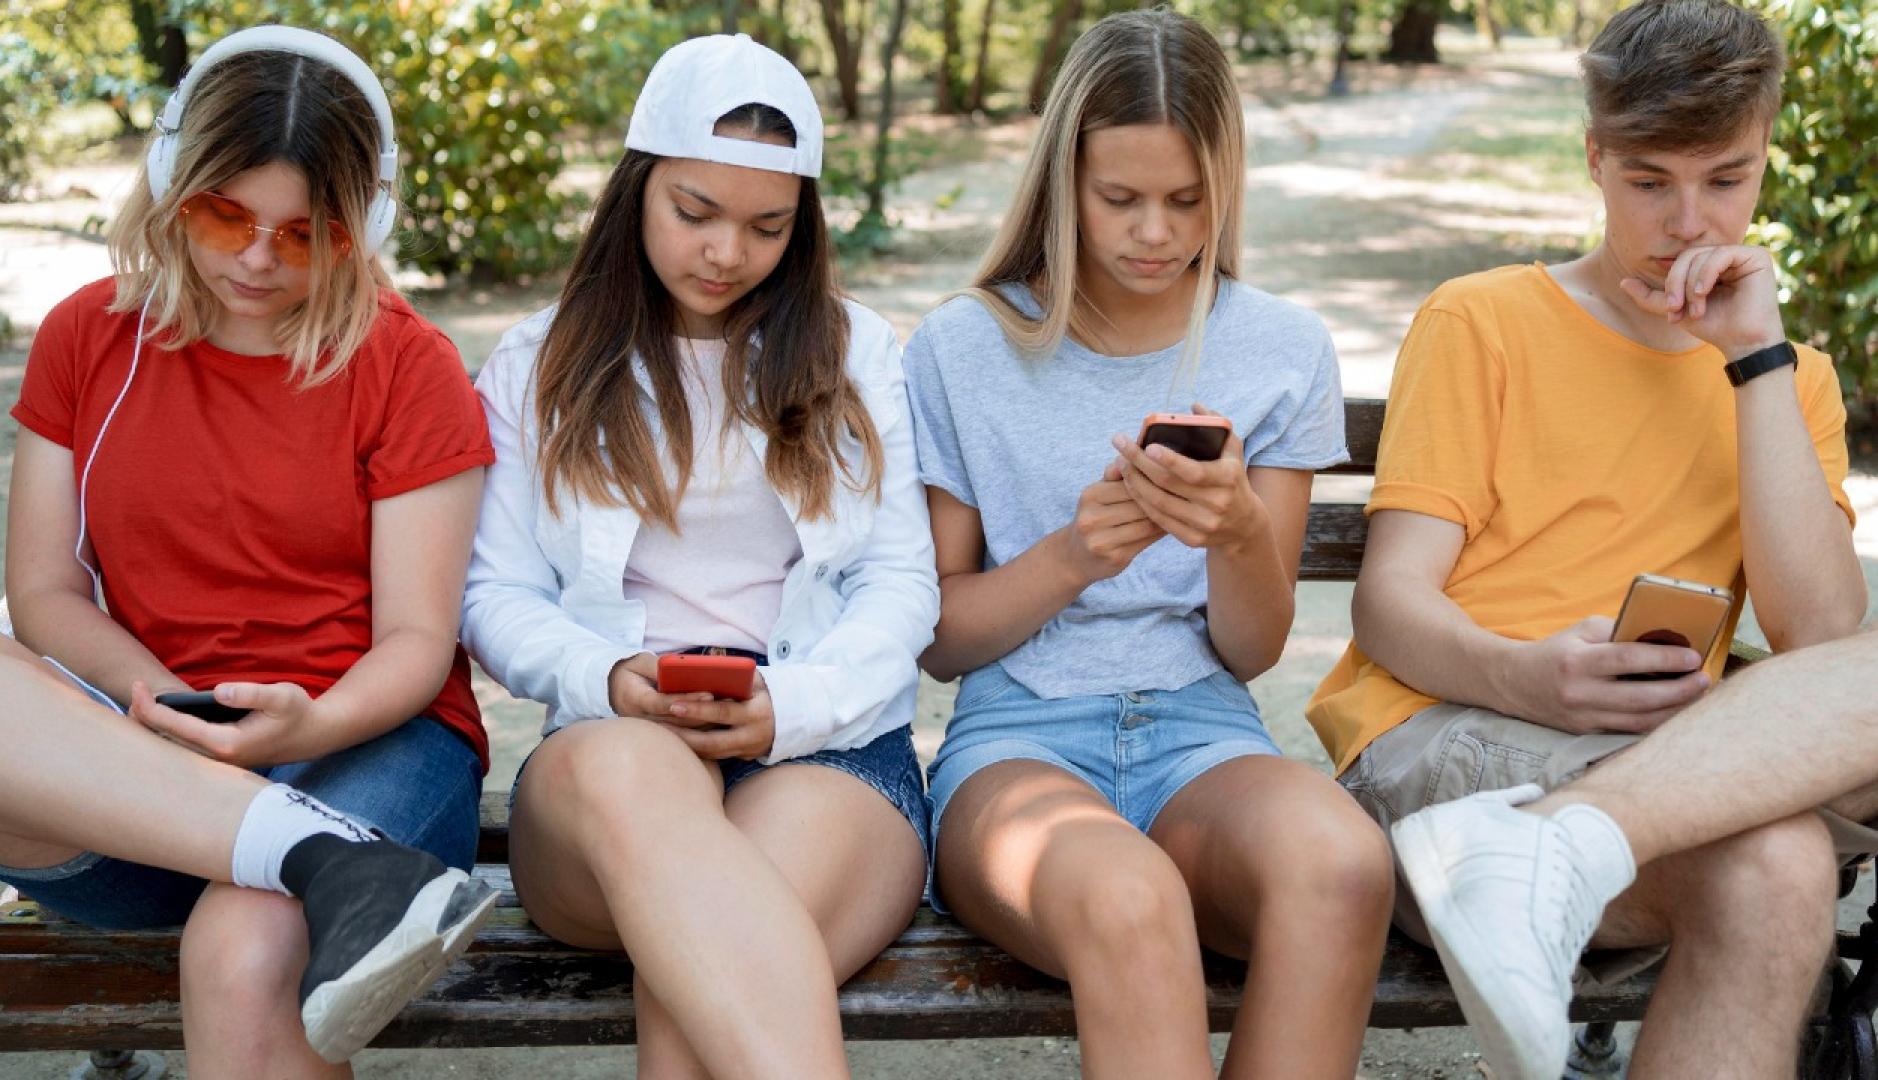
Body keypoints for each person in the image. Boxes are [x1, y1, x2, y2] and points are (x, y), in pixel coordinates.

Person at [1305, 1, 1869, 1076]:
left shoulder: (1792, 380)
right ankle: (1525, 845)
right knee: (1782, 861)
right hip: (1442, 734)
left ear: (1765, 160)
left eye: (1727, 180)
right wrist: (1531, 681)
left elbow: (1825, 638)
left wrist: (1754, 365)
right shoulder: (1484, 320)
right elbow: (1391, 603)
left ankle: (1551, 849)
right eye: (1651, 181)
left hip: (1665, 764)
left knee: (1784, 853)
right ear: (1595, 157)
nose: (1692, 222)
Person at [903, 11, 1395, 1078]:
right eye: (1119, 199)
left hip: (1202, 737)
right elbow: (939, 637)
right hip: (1019, 746)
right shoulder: (964, 346)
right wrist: (1072, 555)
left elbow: (1255, 648)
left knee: (1346, 867)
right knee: (1129, 897)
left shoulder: (1277, 346)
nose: (1156, 233)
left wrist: (1237, 538)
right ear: (1060, 184)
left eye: (1187, 200)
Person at [0, 25, 499, 1071]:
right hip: (147, 757)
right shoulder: (86, 337)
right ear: (171, 184)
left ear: (364, 225)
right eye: (225, 214)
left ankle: (337, 861)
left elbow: (416, 640)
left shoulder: (409, 367)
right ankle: (315, 859)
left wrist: (306, 722)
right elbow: (44, 592)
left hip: (368, 742)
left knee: (246, 943)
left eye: (307, 233)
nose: (259, 259)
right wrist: (161, 707)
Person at [460, 34, 938, 1078]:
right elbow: (494, 591)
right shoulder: (538, 364)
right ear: (637, 188)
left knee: (706, 956)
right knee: (658, 818)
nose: (728, 252)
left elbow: (901, 583)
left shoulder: (855, 352)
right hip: (608, 758)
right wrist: (607, 678)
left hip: (829, 750)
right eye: (696, 213)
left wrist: (797, 705)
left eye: (768, 225)